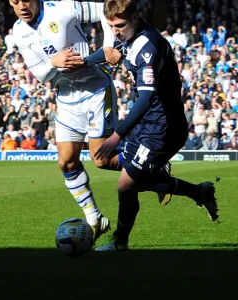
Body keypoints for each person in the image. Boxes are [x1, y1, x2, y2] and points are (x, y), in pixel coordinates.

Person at [94, 0, 219, 251]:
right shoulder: (130, 35)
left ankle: (120, 241)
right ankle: (198, 192)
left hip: (162, 129)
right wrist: (81, 62)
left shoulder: (147, 46)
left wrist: (117, 135)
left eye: (120, 25)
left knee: (126, 185)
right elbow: (110, 52)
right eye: (111, 26)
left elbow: (146, 98)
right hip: (147, 124)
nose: (116, 31)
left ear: (136, 17)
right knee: (114, 168)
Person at [9, 0, 124, 241]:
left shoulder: (63, 8)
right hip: (66, 97)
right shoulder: (18, 31)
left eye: (24, 0)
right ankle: (95, 218)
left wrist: (107, 46)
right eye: (14, 1)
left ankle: (149, 162)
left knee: (100, 160)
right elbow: (40, 73)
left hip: (95, 89)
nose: (21, 6)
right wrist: (54, 62)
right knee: (66, 162)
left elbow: (107, 9)